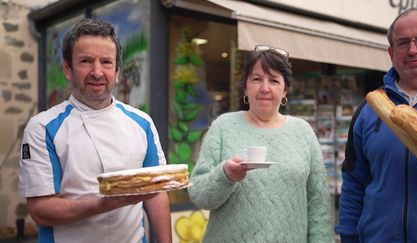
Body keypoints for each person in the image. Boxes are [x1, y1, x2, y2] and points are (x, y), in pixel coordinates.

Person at [18, 18, 171, 243]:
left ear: (117, 71)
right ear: (68, 69)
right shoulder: (43, 127)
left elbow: (156, 192)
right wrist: (104, 203)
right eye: (86, 61)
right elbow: (40, 210)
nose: (97, 72)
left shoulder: (142, 122)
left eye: (106, 62)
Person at [188, 45, 333, 242]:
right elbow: (198, 194)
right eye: (257, 79)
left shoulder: (303, 132)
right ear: (246, 87)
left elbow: (319, 205)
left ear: (285, 90)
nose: (265, 88)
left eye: (274, 80)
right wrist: (225, 176)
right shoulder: (223, 127)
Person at [336, 8, 417, 243]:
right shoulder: (368, 111)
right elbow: (353, 182)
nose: (412, 49)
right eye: (402, 43)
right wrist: (349, 238)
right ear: (391, 53)